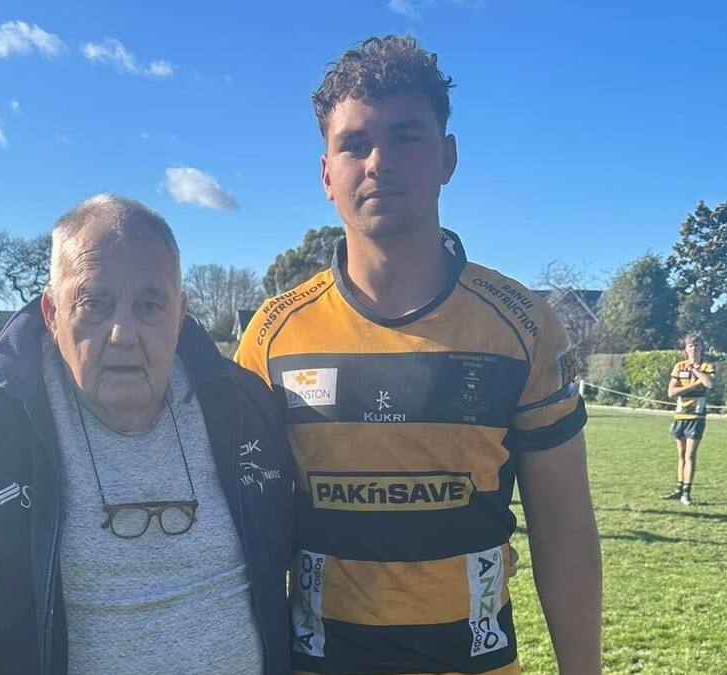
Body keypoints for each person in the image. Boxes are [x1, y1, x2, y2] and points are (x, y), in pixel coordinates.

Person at [235, 36, 602, 675]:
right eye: (354, 144)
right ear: (325, 173)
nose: (378, 162)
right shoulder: (272, 336)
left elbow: (564, 528)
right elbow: (238, 535)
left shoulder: (523, 326)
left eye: (405, 138)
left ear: (447, 157)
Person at [0, 194, 293, 675]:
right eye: (94, 304)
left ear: (180, 315)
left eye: (150, 305)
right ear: (52, 312)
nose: (122, 333)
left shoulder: (241, 405)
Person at [662, 332, 716, 506]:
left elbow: (709, 384)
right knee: (681, 455)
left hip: (696, 417)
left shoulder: (706, 366)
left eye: (697, 345)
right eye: (690, 345)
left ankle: (686, 492)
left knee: (690, 455)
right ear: (685, 348)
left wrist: (695, 371)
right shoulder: (679, 367)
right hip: (680, 415)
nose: (693, 348)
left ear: (702, 348)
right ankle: (679, 488)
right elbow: (671, 392)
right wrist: (694, 385)